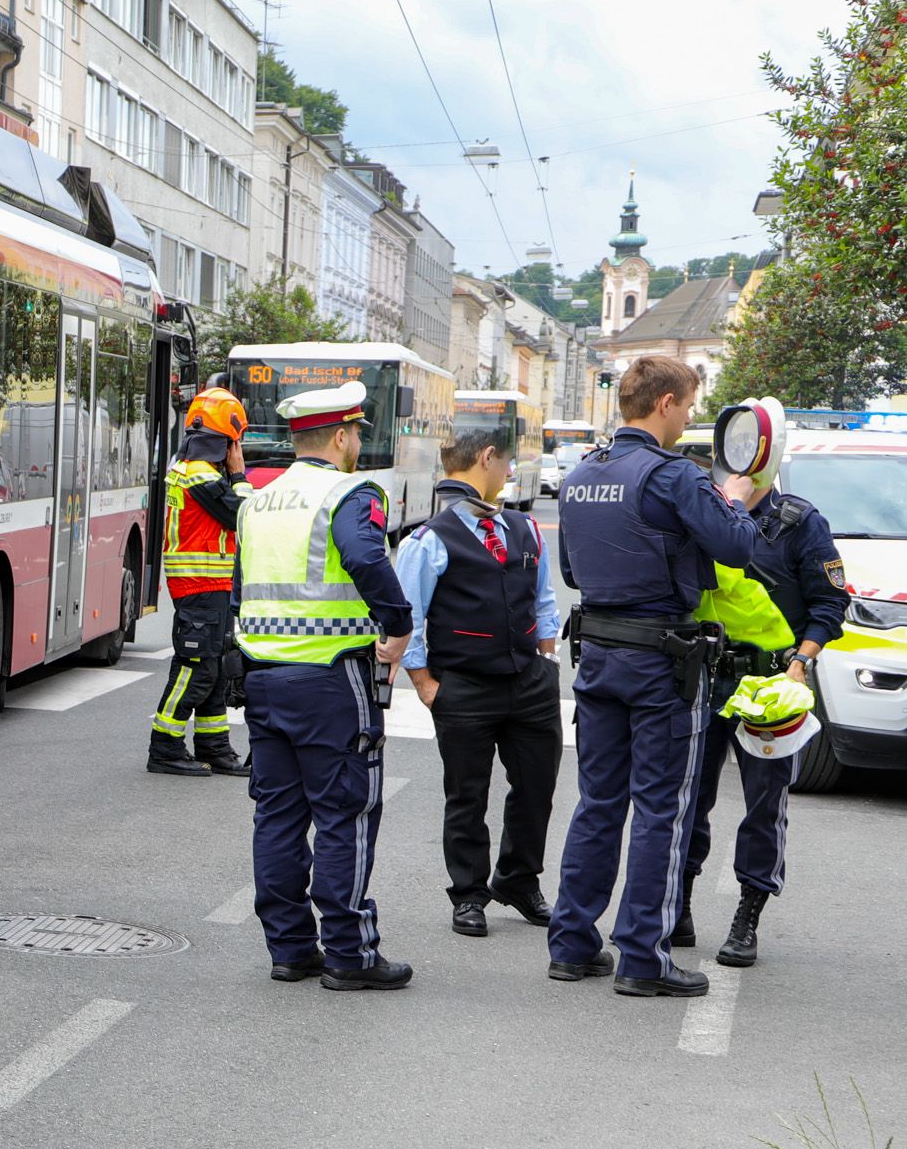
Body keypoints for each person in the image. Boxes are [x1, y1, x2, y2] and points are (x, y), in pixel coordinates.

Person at [546, 356, 760, 998]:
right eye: (690, 405)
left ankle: (573, 944)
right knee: (662, 809)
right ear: (665, 402)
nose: (690, 416)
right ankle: (644, 955)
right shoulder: (673, 476)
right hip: (662, 662)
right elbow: (738, 547)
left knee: (598, 803)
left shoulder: (583, 473)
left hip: (600, 656)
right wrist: (736, 500)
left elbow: (574, 571)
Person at [234, 381, 416, 990]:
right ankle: (349, 953)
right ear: (340, 436)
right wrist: (397, 624)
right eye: (357, 434)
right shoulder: (348, 492)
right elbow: (367, 559)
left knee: (278, 815)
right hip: (332, 678)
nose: (358, 444)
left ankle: (289, 949)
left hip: (264, 678)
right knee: (346, 812)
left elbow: (243, 587)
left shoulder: (258, 500)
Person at [675, 404, 847, 966]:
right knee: (686, 797)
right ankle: (676, 905)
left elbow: (829, 603)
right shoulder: (705, 513)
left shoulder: (799, 522)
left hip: (772, 681)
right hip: (707, 677)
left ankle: (748, 913)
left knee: (764, 803)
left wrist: (801, 662)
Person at [393, 420, 565, 938]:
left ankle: (517, 879)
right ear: (487, 458)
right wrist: (423, 681)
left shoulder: (524, 528)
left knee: (537, 786)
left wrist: (547, 657)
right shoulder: (428, 538)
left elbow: (544, 597)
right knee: (467, 795)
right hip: (464, 684)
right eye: (509, 461)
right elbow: (409, 615)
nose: (512, 471)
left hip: (528, 681)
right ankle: (468, 893)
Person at [148, 385, 252, 777]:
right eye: (235, 442)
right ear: (226, 440)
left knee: (216, 668)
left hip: (211, 585)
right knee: (196, 668)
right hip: (200, 585)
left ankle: (215, 747)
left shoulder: (193, 468)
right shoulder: (201, 477)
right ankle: (165, 745)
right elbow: (242, 515)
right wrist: (239, 474)